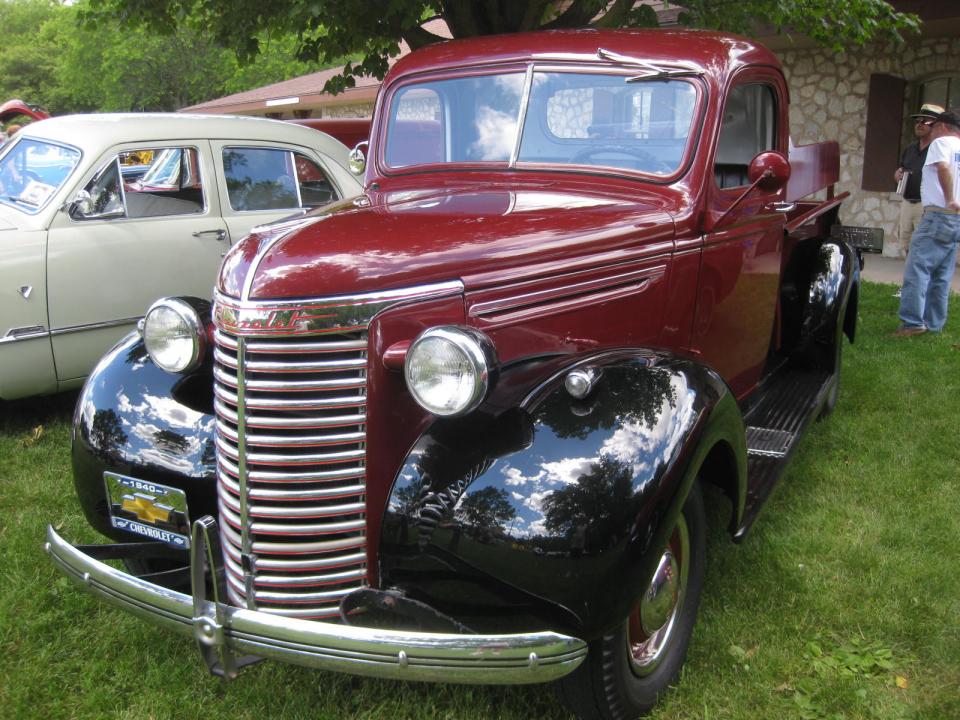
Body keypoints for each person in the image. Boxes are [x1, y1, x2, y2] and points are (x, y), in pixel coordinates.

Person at [894, 108, 960, 336]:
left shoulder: (941, 144)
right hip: (955, 219)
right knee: (942, 274)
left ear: (942, 126)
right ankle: (934, 325)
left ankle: (912, 323)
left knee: (917, 268)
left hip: (937, 214)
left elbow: (942, 168)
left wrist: (950, 198)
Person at [890, 103, 942, 258]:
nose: (919, 124)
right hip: (907, 202)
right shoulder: (910, 148)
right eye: (918, 120)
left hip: (926, 205)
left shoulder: (939, 149)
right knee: (906, 245)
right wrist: (897, 175)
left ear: (936, 125)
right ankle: (912, 279)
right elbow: (900, 170)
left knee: (925, 247)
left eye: (925, 121)